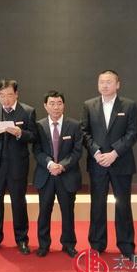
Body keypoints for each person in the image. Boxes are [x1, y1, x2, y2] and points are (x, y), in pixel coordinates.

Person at [81, 70, 137, 259]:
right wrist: (97, 152)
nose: (104, 85)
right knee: (97, 205)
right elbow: (84, 132)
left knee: (123, 205)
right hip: (97, 163)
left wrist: (114, 153)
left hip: (121, 162)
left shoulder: (129, 105)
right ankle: (97, 244)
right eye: (101, 82)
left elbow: (132, 133)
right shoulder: (89, 105)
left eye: (109, 82)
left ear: (117, 84)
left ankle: (126, 246)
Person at [0, 79, 37, 254]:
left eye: (9, 95)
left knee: (18, 202)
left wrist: (20, 133)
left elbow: (34, 136)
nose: (5, 99)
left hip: (17, 164)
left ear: (16, 94)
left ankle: (22, 239)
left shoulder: (27, 111)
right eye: (2, 95)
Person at [33, 91, 83, 258]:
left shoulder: (74, 125)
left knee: (68, 212)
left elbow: (77, 152)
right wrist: (50, 164)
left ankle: (68, 244)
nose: (56, 107)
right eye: (52, 103)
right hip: (46, 175)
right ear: (45, 106)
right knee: (44, 212)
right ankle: (43, 244)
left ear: (64, 105)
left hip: (67, 175)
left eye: (59, 103)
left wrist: (62, 166)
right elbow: (37, 150)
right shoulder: (39, 125)